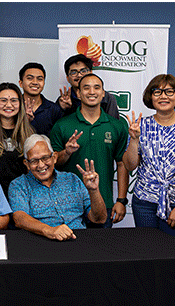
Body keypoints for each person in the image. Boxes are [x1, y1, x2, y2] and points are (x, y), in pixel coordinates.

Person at [50, 73, 129, 227]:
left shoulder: (117, 126)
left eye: (97, 87)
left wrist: (121, 200)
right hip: (66, 203)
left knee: (100, 250)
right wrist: (66, 152)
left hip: (103, 202)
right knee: (66, 250)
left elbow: (122, 164)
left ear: (103, 93)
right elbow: (53, 164)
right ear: (78, 93)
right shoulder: (62, 125)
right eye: (86, 88)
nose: (92, 92)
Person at [122, 74, 175, 239]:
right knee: (147, 251)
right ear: (150, 96)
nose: (163, 96)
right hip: (144, 202)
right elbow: (130, 165)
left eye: (169, 91)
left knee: (173, 252)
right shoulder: (141, 125)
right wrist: (134, 139)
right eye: (157, 91)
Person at [9, 134, 107, 240]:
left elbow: (99, 219)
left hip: (80, 241)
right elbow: (19, 218)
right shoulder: (19, 185)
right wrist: (50, 230)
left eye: (45, 158)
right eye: (34, 161)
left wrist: (94, 190)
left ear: (54, 157)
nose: (41, 165)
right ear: (26, 164)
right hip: (42, 243)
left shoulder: (72, 179)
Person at [60, 54, 119, 119]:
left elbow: (114, 125)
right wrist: (64, 109)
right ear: (68, 78)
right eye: (74, 72)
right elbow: (60, 126)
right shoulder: (63, 100)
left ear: (91, 73)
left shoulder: (107, 98)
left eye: (83, 71)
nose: (79, 75)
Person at [18, 62, 70, 136]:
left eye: (39, 79)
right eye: (30, 78)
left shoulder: (54, 109)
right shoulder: (14, 107)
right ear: (21, 83)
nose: (35, 82)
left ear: (44, 83)